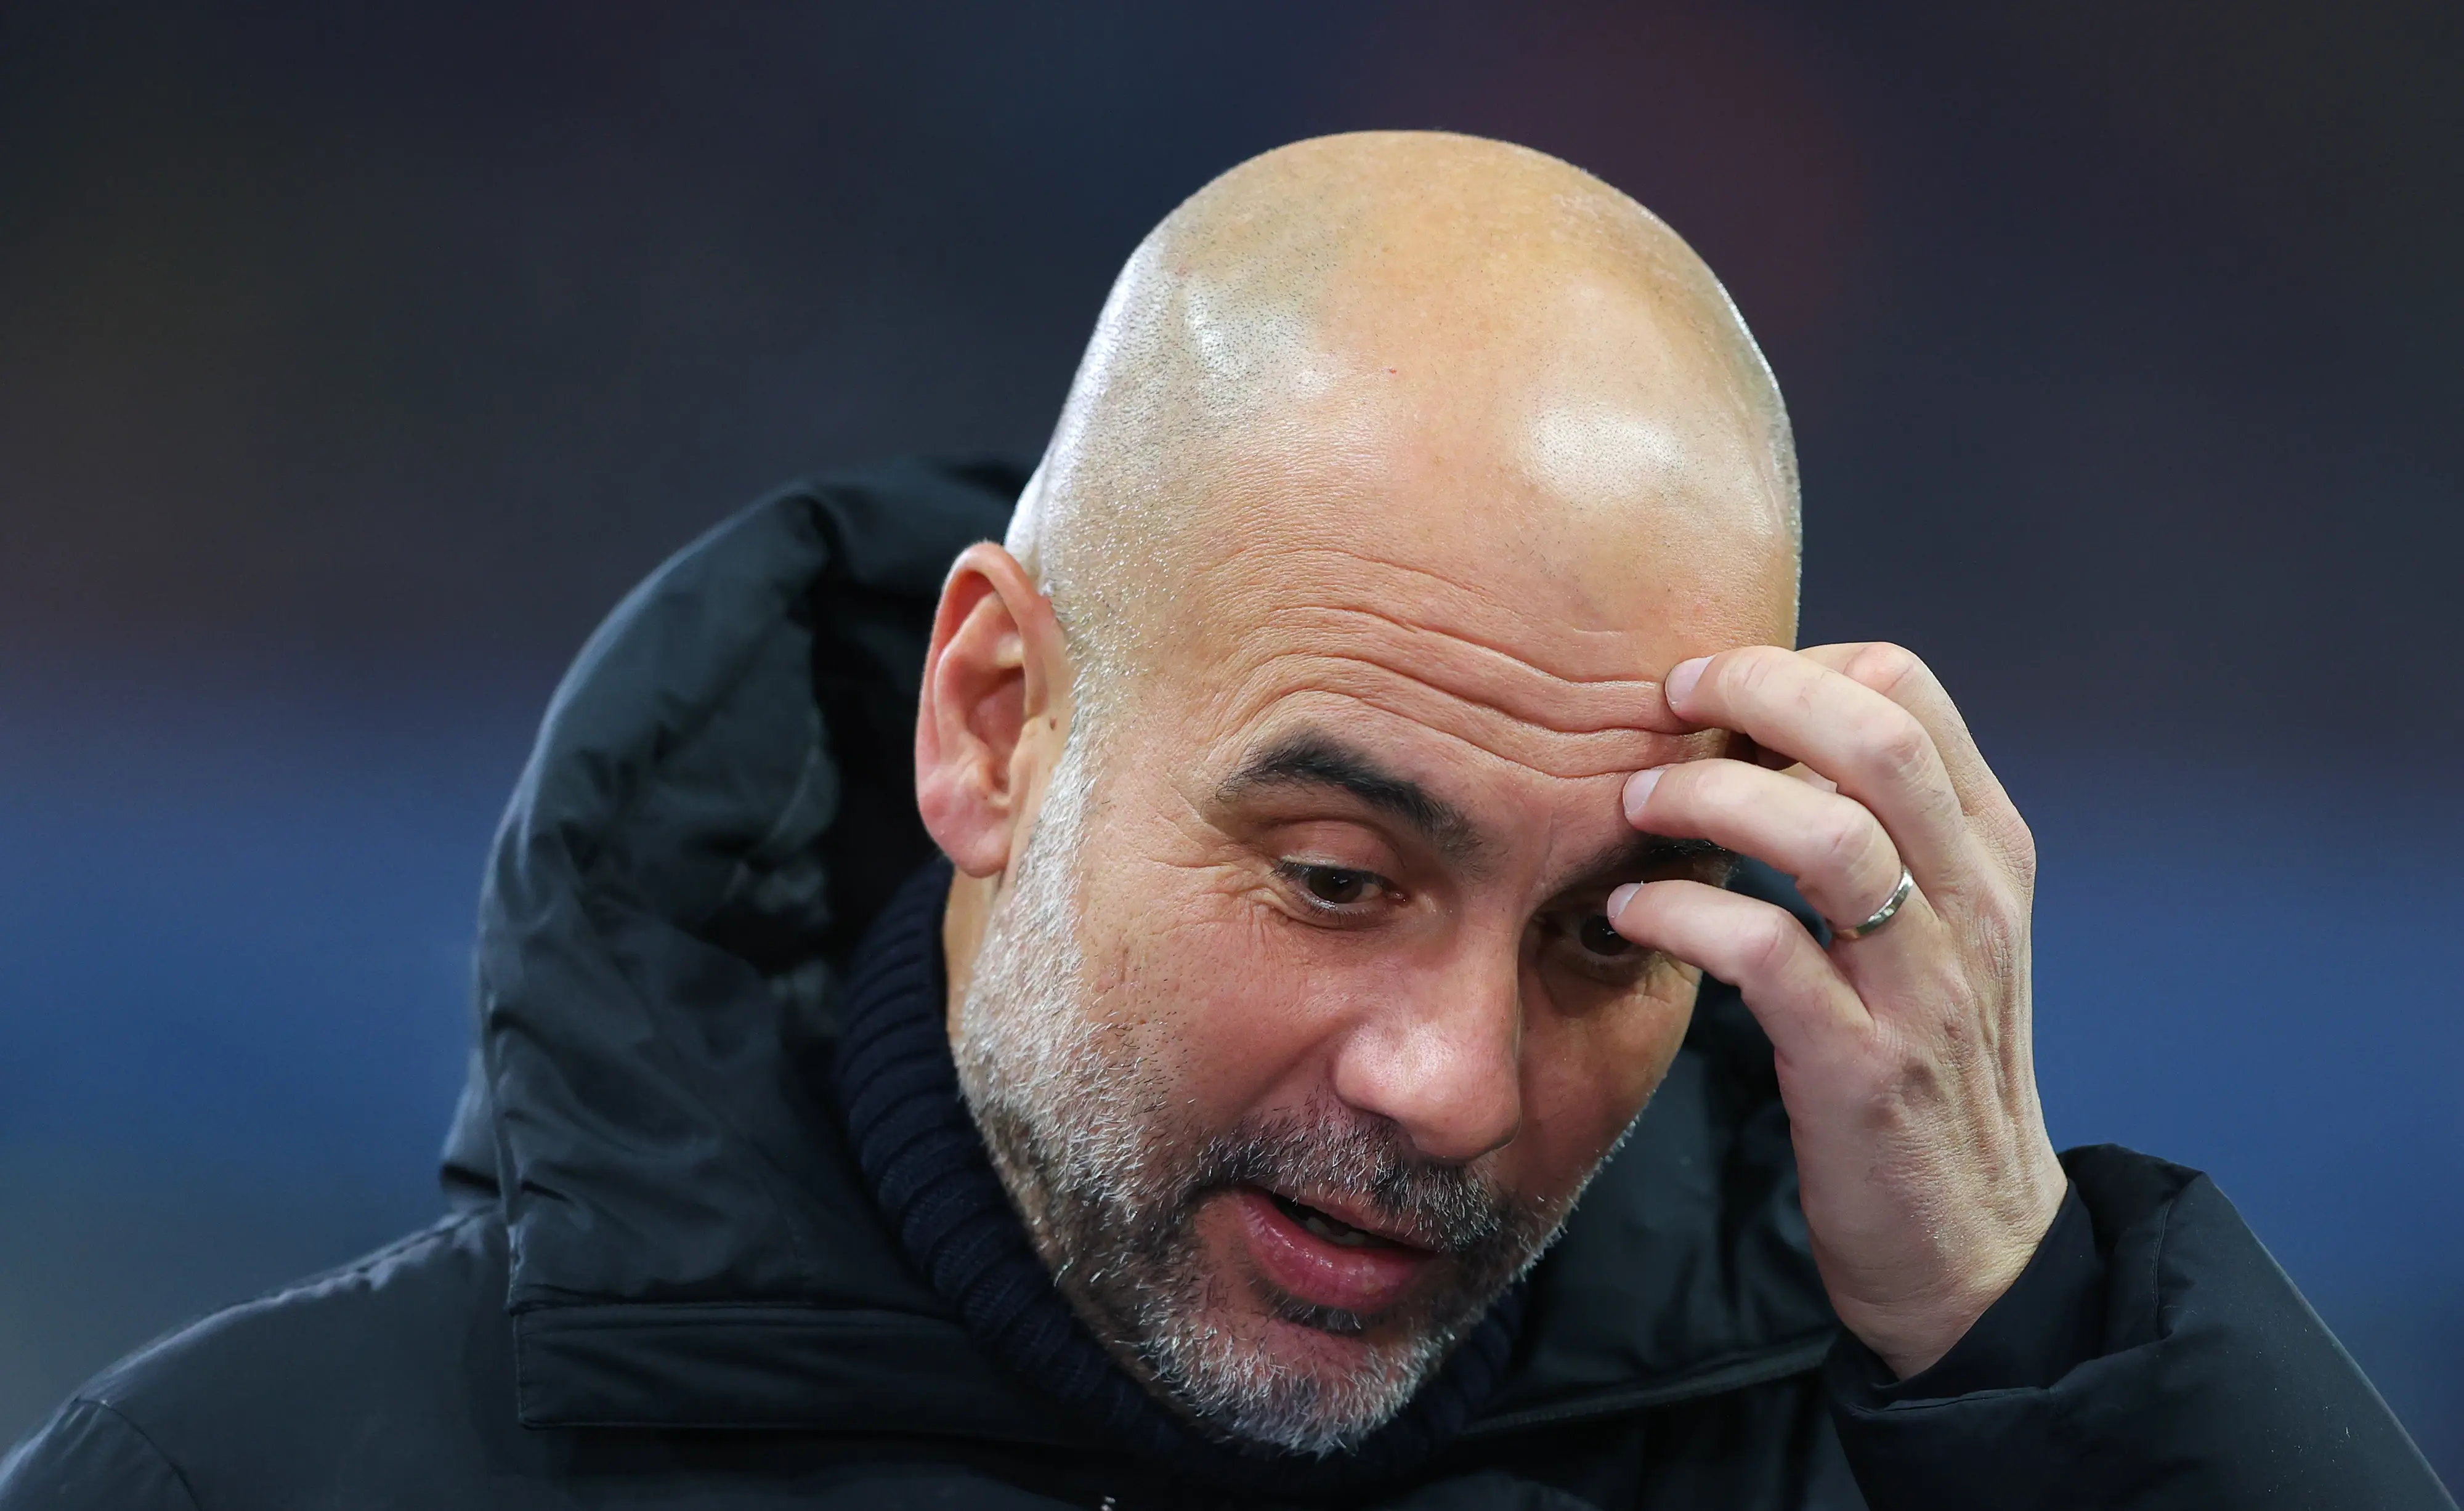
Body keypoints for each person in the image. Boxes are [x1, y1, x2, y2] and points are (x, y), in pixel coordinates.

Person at [1, 131, 2449, 1511]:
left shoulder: (1912, 1456)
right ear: (994, 721)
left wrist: (2045, 1342)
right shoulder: (244, 1487)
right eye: (1336, 880)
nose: (1452, 1082)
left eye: (1604, 939)